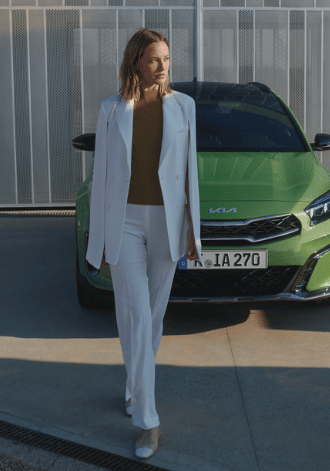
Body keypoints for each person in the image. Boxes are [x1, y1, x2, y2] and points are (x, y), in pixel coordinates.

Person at [85, 28, 201, 459]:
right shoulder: (111, 109)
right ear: (135, 61)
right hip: (126, 221)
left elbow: (189, 173)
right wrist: (97, 238)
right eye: (154, 59)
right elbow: (102, 179)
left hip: (168, 222)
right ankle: (148, 422)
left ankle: (135, 389)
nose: (162, 66)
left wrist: (194, 229)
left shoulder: (184, 106)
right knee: (136, 314)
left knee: (151, 317)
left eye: (166, 58)